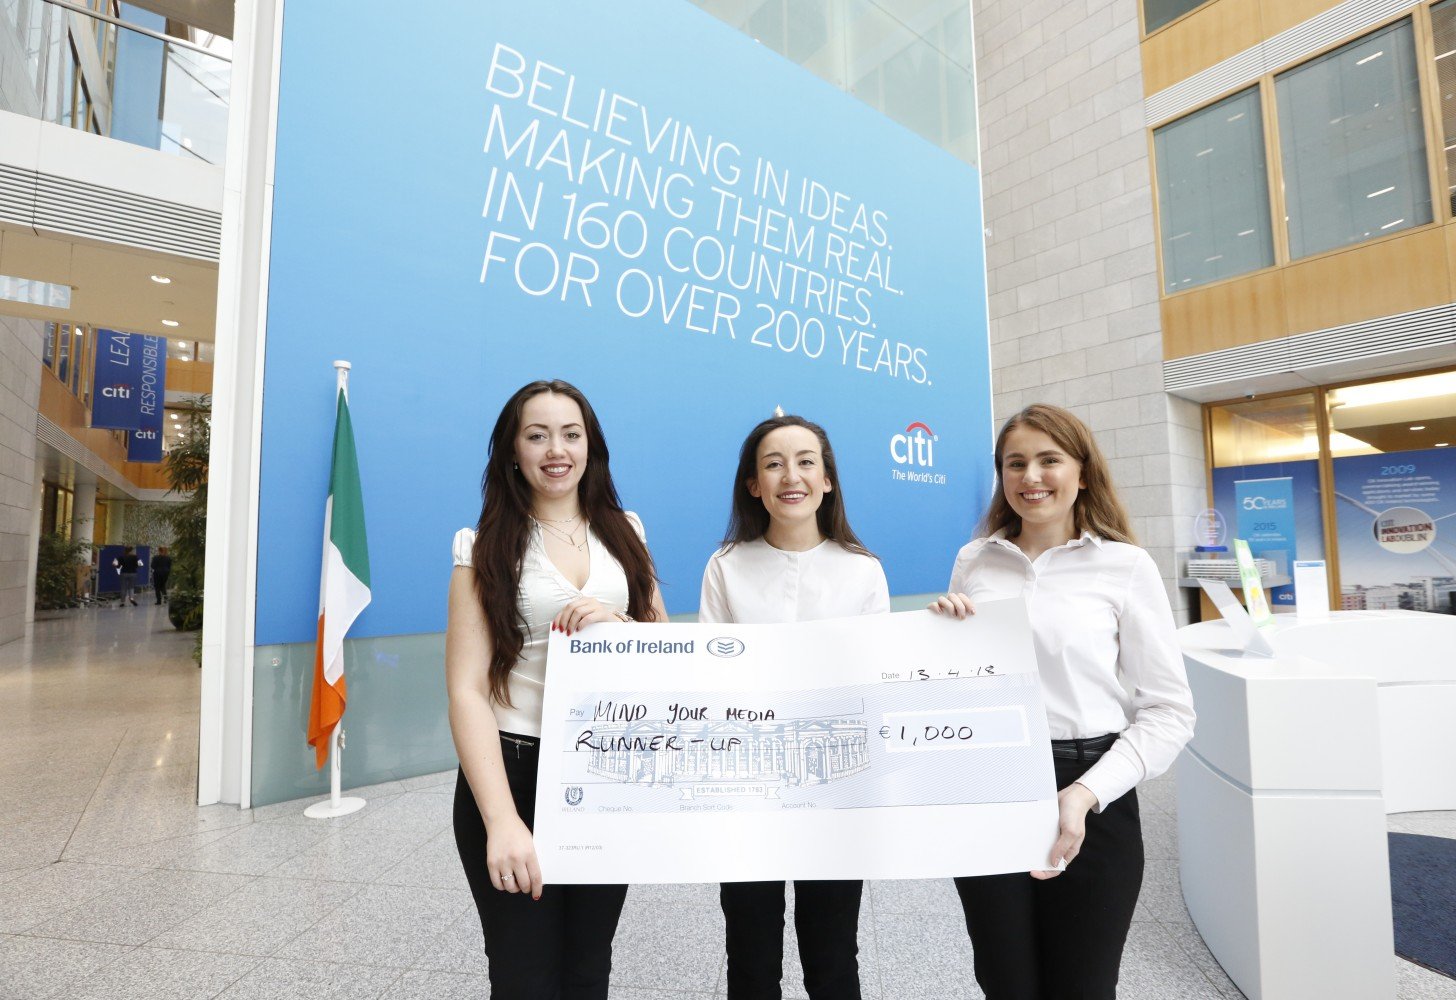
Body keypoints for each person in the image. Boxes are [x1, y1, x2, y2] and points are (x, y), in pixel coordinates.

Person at [928, 403, 1195, 1000]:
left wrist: (1085, 794)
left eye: (1050, 460)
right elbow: (962, 689)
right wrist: (942, 642)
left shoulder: (1124, 565)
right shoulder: (975, 560)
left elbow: (1170, 712)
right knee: (1004, 981)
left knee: (1083, 984)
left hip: (1091, 788)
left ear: (1082, 471)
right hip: (991, 786)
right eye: (1015, 464)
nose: (1031, 477)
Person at [445, 379, 664, 1000]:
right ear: (512, 451)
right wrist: (504, 821)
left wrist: (615, 621)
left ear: (590, 445)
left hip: (605, 772)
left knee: (588, 968)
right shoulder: (482, 545)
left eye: (570, 434)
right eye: (536, 435)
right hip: (514, 770)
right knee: (524, 975)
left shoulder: (626, 532)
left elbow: (662, 646)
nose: (555, 450)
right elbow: (466, 691)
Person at [699, 413, 889, 1000]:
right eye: (773, 463)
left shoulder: (863, 570)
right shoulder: (726, 566)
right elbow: (711, 684)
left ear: (827, 480)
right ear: (753, 484)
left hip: (836, 790)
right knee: (750, 959)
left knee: (833, 959)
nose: (792, 476)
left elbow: (880, 687)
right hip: (747, 788)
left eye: (807, 461)